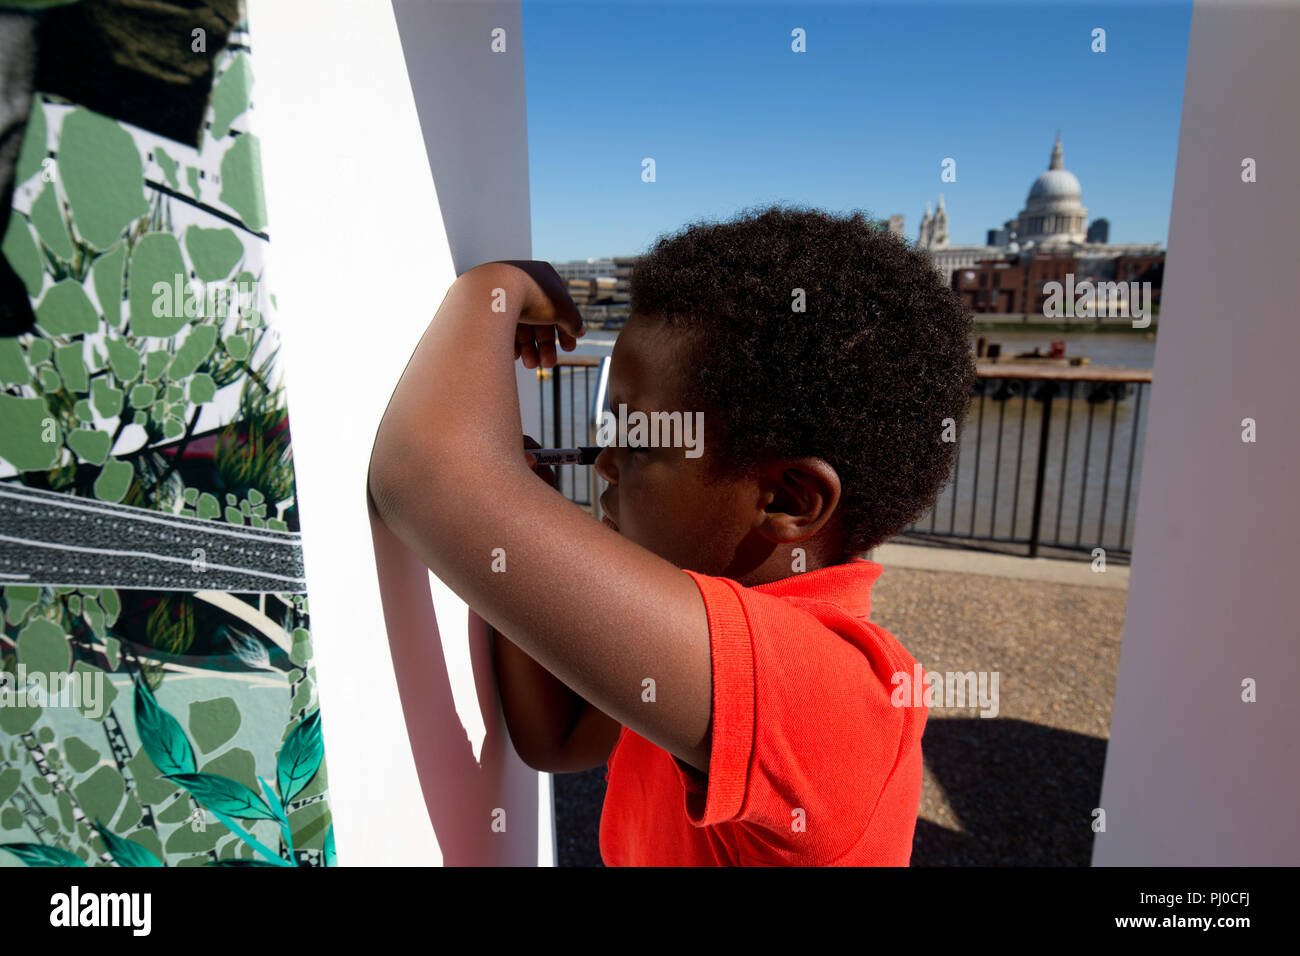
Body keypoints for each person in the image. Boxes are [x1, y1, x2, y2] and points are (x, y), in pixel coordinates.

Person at [367, 203, 976, 865]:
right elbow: (560, 737)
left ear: (787, 500)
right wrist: (525, 513)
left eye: (640, 439)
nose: (603, 461)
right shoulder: (701, 639)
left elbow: (422, 474)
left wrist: (497, 285)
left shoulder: (821, 694)